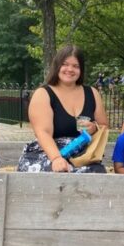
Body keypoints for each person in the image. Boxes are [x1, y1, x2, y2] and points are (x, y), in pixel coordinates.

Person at [18, 45, 109, 173]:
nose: (70, 69)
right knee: (59, 172)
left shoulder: (92, 93)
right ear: (57, 66)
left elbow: (103, 125)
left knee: (97, 172)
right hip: (48, 153)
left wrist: (93, 127)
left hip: (82, 155)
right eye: (65, 64)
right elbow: (42, 132)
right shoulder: (43, 93)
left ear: (81, 70)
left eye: (75, 66)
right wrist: (56, 158)